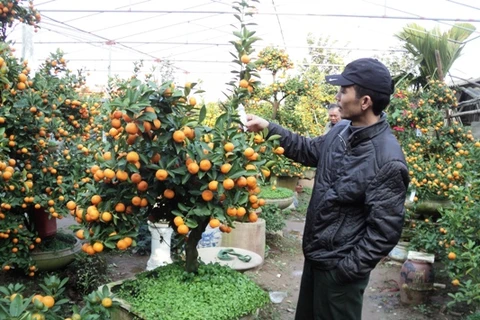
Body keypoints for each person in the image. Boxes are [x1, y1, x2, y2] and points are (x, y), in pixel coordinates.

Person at [245, 57, 409, 320]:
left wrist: (345, 271)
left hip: (340, 273)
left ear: (365, 101)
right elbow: (308, 149)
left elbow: (384, 232)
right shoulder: (341, 131)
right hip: (316, 259)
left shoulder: (386, 159)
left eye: (344, 90)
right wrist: (268, 127)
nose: (338, 96)